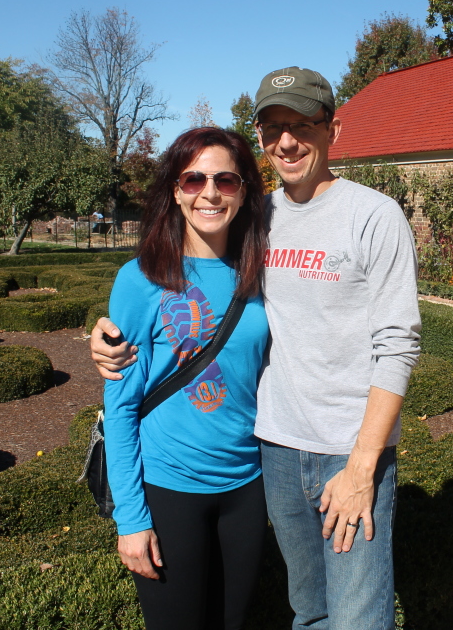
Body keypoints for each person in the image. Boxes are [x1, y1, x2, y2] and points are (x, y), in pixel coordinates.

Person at [91, 67, 421, 630]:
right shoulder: (246, 230)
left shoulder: (359, 218)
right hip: (265, 455)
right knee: (309, 611)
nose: (287, 141)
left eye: (302, 125)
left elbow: (398, 342)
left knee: (356, 619)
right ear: (176, 188)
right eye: (272, 128)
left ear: (332, 129)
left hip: (309, 461)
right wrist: (100, 335)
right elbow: (126, 389)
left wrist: (364, 465)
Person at [103, 127, 270, 630]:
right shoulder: (142, 277)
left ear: (244, 191)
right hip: (169, 487)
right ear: (176, 191)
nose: (211, 193)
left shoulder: (263, 271)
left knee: (233, 621)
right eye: (194, 179)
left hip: (247, 485)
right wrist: (131, 520)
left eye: (226, 179)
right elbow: (120, 404)